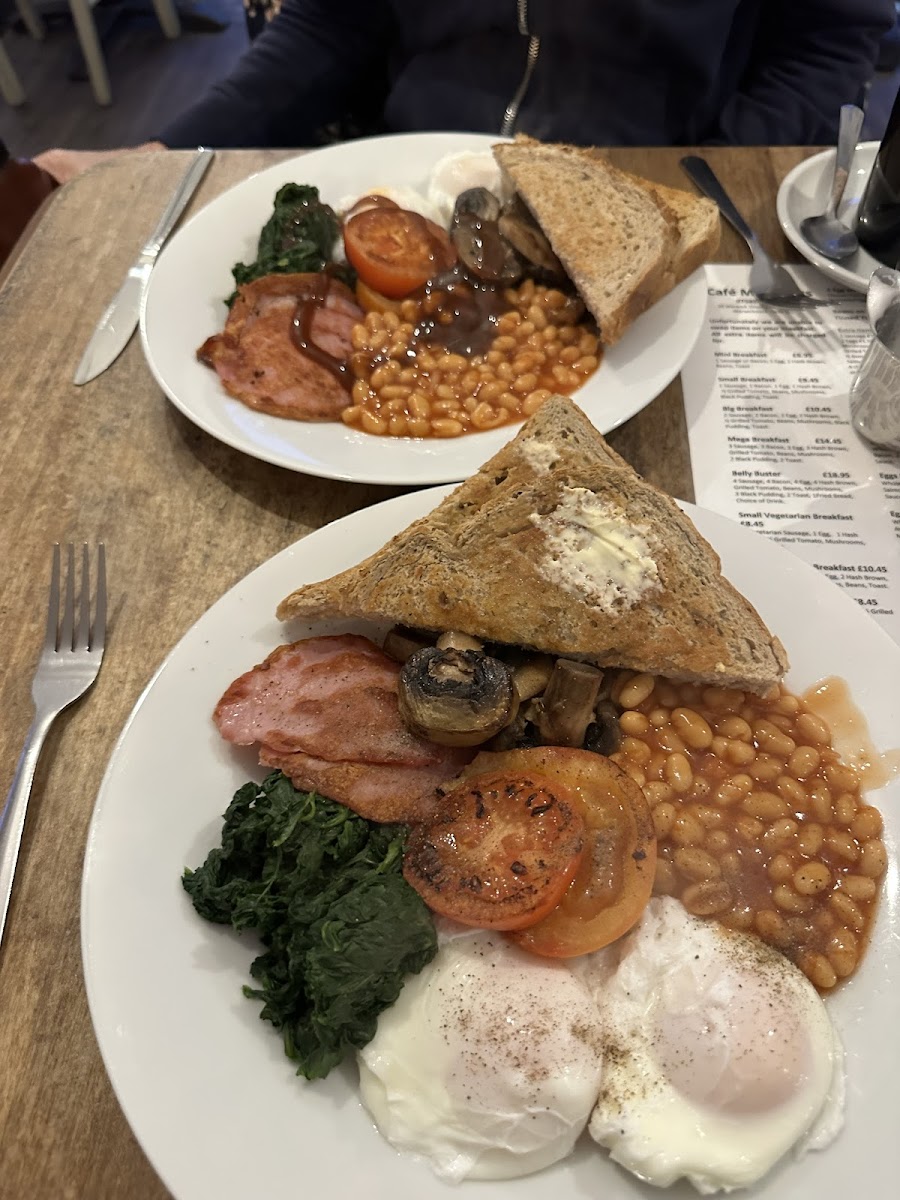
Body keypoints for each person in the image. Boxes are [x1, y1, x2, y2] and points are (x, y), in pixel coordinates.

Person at [36, 0, 895, 183]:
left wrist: (706, 179)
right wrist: (163, 152)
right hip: (410, 177)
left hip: (650, 173)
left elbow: (828, 40)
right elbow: (331, 24)